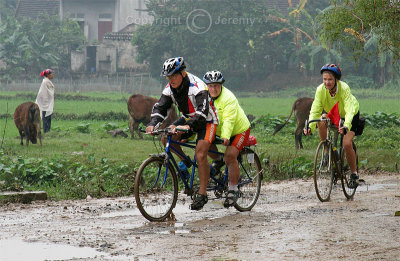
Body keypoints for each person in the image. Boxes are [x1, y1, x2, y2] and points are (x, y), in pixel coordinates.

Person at [146, 57, 219, 210]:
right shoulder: (169, 88)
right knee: (166, 138)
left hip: (207, 121)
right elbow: (160, 108)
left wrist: (188, 126)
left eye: (173, 75)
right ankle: (185, 161)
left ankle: (203, 194)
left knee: (200, 154)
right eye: (168, 76)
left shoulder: (198, 87)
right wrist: (153, 124)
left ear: (183, 73)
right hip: (188, 118)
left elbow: (202, 113)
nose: (170, 79)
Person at [304, 64, 363, 188]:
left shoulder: (344, 88)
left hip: (350, 114)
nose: (327, 82)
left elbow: (349, 108)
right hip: (332, 113)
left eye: (330, 79)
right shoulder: (320, 90)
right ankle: (327, 150)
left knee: (346, 144)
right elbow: (315, 109)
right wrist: (310, 126)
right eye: (325, 79)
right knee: (321, 120)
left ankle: (354, 174)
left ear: (336, 79)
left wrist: (346, 125)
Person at [203, 70, 251, 208]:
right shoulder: (204, 96)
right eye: (210, 86)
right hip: (218, 130)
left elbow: (229, 120)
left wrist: (225, 136)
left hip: (239, 130)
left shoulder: (228, 98)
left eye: (216, 86)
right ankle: (218, 162)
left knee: (230, 156)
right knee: (205, 143)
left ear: (221, 85)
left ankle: (233, 189)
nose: (213, 89)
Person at [35, 69, 55, 133]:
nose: (53, 75)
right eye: (52, 73)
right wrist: (46, 102)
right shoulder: (45, 82)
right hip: (45, 103)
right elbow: (44, 93)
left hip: (48, 103)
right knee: (45, 118)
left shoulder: (47, 81)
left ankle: (47, 131)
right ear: (48, 75)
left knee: (48, 118)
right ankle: (46, 131)